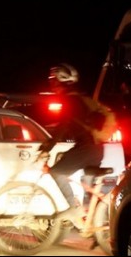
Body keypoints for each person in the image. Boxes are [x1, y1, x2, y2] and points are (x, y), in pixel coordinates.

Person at [41, 63, 107, 222]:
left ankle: (74, 208)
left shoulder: (70, 101)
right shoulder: (81, 98)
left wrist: (47, 149)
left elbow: (62, 127)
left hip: (87, 148)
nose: (51, 83)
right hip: (96, 148)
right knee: (87, 183)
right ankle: (91, 221)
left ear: (61, 81)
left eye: (53, 79)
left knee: (57, 172)